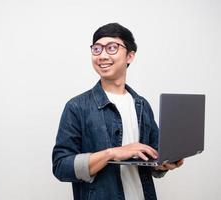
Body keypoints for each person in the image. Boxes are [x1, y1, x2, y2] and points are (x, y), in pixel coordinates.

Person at [52, 23, 183, 200]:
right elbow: (61, 166)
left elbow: (151, 159)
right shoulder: (77, 107)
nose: (102, 55)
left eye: (112, 48)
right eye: (97, 49)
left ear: (130, 56)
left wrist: (163, 164)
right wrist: (112, 153)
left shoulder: (142, 105)